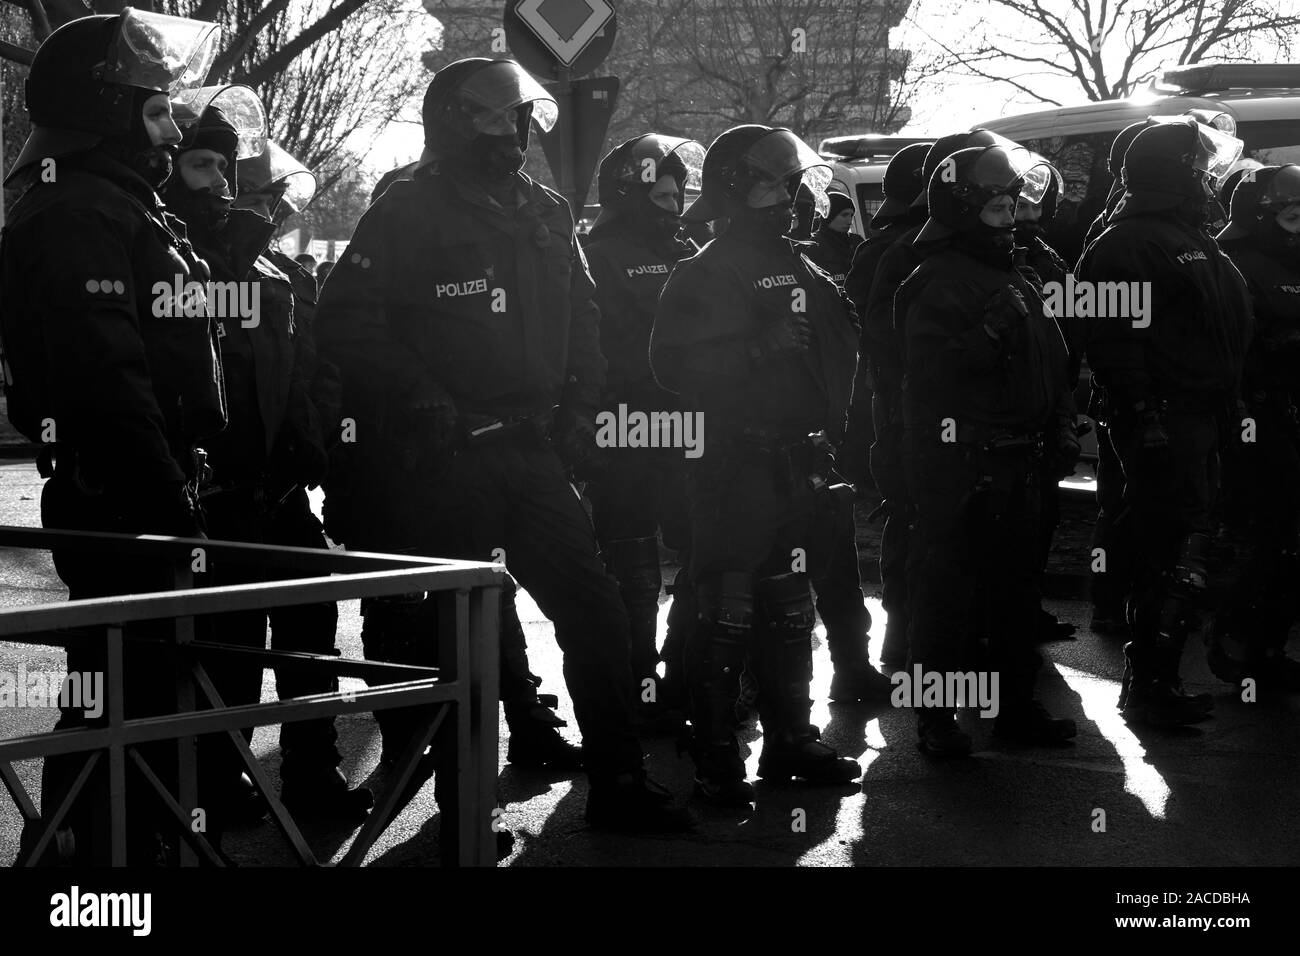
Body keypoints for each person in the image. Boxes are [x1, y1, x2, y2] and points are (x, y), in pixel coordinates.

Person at [315, 57, 691, 834]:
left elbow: (583, 320)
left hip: (531, 451)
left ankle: (620, 782)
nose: (514, 133)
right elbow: (346, 322)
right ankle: (463, 814)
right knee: (464, 639)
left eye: (521, 119)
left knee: (596, 612)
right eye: (498, 118)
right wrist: (420, 393)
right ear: (457, 122)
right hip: (446, 458)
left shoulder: (546, 209)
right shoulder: (406, 211)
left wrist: (581, 412)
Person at [0, 10, 225, 864]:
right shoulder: (79, 211)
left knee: (140, 690)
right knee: (116, 691)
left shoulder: (119, 205)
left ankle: (120, 849)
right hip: (121, 491)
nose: (172, 128)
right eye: (157, 110)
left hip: (145, 479)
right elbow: (108, 377)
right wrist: (167, 491)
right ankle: (93, 861)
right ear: (103, 109)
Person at [161, 86, 373, 823]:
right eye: (203, 166)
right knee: (230, 650)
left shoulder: (278, 276)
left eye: (228, 168)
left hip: (281, 496)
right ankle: (219, 789)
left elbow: (314, 372)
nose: (223, 184)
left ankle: (311, 774)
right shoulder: (181, 259)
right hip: (215, 502)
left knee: (312, 634)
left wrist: (315, 441)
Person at [652, 124, 867, 805]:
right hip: (735, 462)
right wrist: (756, 348)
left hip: (798, 462)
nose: (793, 196)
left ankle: (790, 739)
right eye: (775, 183)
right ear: (736, 192)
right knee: (728, 614)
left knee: (791, 609)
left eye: (794, 181)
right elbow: (673, 368)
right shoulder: (708, 268)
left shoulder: (800, 262)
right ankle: (716, 751)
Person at [899, 144, 1080, 755]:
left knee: (1015, 592)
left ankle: (1014, 709)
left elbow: (1051, 364)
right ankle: (936, 718)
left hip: (1019, 461)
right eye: (999, 207)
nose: (1011, 216)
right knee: (948, 593)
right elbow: (928, 377)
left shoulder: (1014, 272)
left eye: (1012, 205)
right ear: (965, 208)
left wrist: (1058, 425)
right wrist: (987, 333)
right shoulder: (936, 277)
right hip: (964, 464)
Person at [1077, 117, 1253, 726]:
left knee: (1185, 541)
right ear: (1175, 171)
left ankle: (1158, 677)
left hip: (1202, 416)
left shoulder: (1190, 235)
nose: (1209, 178)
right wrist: (1142, 413)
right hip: (1164, 420)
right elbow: (1109, 339)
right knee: (1170, 545)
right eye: (1199, 166)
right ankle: (1150, 682)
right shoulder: (1126, 242)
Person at [582, 133, 704, 731]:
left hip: (687, 427)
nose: (674, 204)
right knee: (631, 567)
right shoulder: (597, 254)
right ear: (629, 193)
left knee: (705, 550)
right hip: (625, 428)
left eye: (679, 193)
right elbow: (588, 349)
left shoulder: (690, 249)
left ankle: (684, 673)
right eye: (661, 193)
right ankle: (636, 686)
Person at [1212, 164, 1300, 691]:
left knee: (1290, 541)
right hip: (1259, 420)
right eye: (1291, 216)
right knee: (1273, 535)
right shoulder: (1235, 266)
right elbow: (1225, 351)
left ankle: (1268, 647)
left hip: (1291, 412)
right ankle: (1236, 640)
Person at [803, 191, 862, 287]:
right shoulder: (813, 245)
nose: (849, 221)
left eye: (851, 215)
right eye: (844, 215)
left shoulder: (857, 242)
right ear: (830, 215)